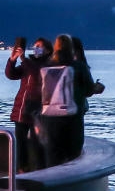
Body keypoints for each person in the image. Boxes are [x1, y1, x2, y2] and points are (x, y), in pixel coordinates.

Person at [35, 39, 92, 169]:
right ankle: (72, 186)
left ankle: (51, 184)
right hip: (73, 118)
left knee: (53, 158)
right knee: (73, 157)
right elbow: (88, 90)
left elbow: (40, 89)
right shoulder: (79, 67)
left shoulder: (46, 66)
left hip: (50, 119)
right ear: (71, 49)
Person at [5, 35, 48, 171]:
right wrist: (12, 60)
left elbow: (36, 74)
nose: (36, 49)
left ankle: (39, 169)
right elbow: (11, 75)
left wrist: (23, 58)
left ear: (47, 50)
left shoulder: (48, 64)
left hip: (39, 109)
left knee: (38, 142)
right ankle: (21, 169)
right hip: (22, 107)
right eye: (35, 46)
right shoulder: (28, 63)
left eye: (40, 46)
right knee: (21, 142)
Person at [66, 36, 104, 161]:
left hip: (55, 109)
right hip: (76, 108)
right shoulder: (81, 66)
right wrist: (95, 88)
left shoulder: (55, 64)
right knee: (75, 141)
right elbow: (88, 90)